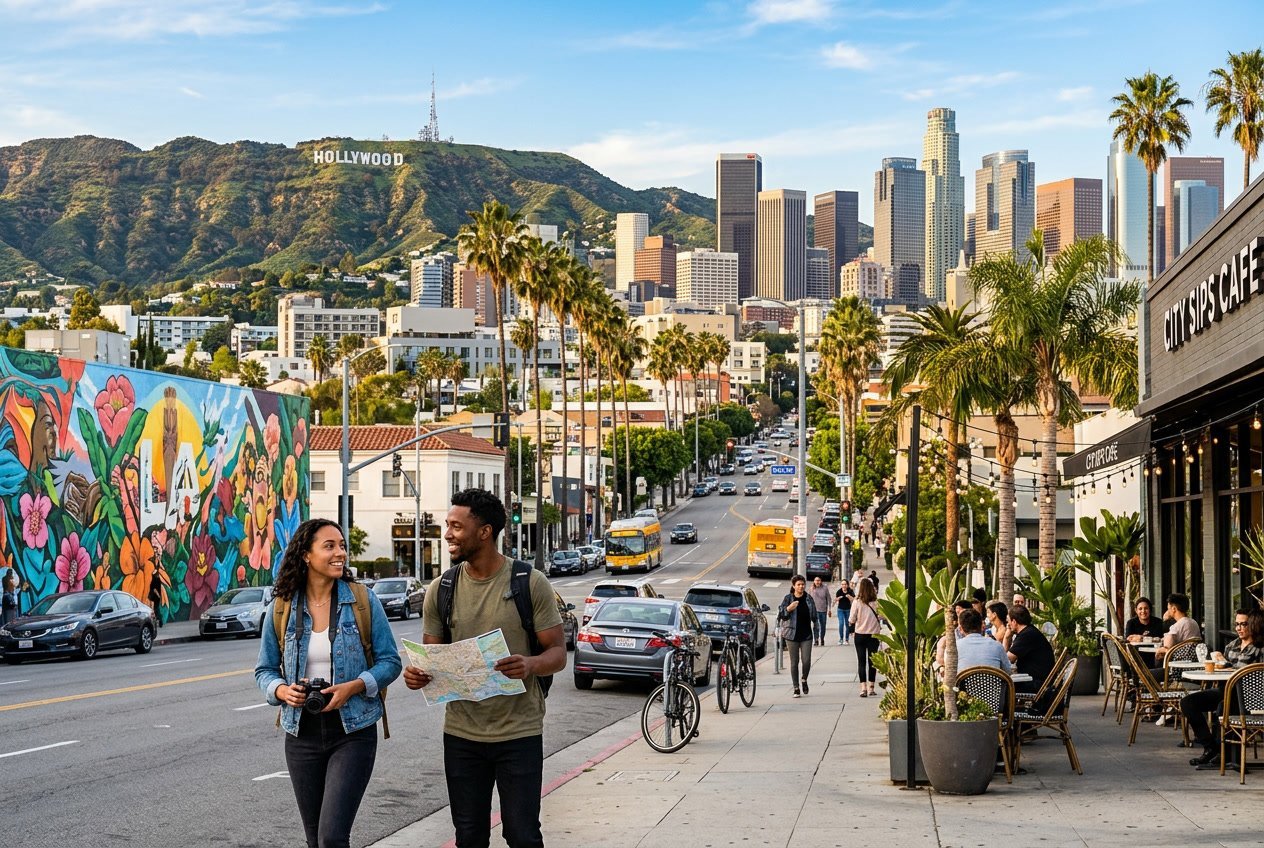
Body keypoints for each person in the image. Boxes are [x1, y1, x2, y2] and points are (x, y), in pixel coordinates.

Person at [405, 488, 566, 848]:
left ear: (485, 532)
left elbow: (557, 653)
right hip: (462, 735)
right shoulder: (441, 589)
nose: (447, 533)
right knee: (469, 835)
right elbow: (433, 661)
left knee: (523, 835)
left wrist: (529, 664)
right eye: (447, 525)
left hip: (519, 733)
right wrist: (418, 675)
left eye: (456, 527)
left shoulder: (529, 582)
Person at [254, 519, 402, 848]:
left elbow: (391, 662)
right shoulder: (282, 607)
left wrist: (356, 685)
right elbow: (264, 669)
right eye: (329, 546)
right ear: (306, 555)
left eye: (342, 546)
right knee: (314, 839)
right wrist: (281, 690)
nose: (340, 554)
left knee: (332, 837)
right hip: (301, 732)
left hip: (352, 731)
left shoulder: (363, 601)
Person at [1182, 609, 1264, 768]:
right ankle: (1211, 748)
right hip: (1225, 689)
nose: (1239, 628)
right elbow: (1224, 670)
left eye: (1244, 624)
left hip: (1249, 697)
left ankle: (1225, 755)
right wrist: (1219, 662)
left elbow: (1255, 674)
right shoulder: (1231, 646)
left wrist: (1227, 665)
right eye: (1237, 624)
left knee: (1222, 707)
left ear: (1253, 625)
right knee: (1188, 703)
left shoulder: (1260, 648)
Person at [778, 575, 816, 697]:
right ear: (793, 586)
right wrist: (789, 608)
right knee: (794, 662)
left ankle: (804, 679)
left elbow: (814, 616)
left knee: (806, 661)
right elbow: (781, 615)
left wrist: (817, 629)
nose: (801, 586)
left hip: (806, 635)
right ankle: (796, 687)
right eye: (798, 584)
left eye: (803, 584)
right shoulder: (788, 598)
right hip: (791, 635)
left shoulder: (809, 599)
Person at [1007, 605, 1055, 700]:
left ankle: (1008, 714)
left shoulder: (1027, 635)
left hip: (1037, 684)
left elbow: (1008, 659)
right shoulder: (1029, 631)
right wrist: (1007, 637)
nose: (1008, 624)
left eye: (1008, 621)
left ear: (1014, 621)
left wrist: (1006, 637)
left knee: (1003, 687)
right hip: (1036, 680)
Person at [850, 577, 881, 697]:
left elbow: (852, 619)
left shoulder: (857, 602)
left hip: (860, 634)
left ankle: (863, 688)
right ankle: (871, 687)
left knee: (861, 662)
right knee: (872, 662)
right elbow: (882, 616)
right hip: (874, 635)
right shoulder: (876, 602)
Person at [1155, 592, 1201, 661]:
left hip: (1179, 666)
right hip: (1194, 662)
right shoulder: (1194, 623)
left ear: (1173, 609)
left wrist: (1165, 620)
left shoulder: (1176, 627)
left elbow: (1166, 648)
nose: (1167, 611)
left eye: (1168, 608)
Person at [935, 601, 975, 675]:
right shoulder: (950, 635)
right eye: (958, 613)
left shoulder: (978, 629)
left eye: (963, 613)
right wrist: (942, 666)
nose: (961, 616)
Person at [807, 576, 831, 646]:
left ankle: (822, 638)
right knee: (816, 625)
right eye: (816, 580)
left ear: (821, 581)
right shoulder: (811, 589)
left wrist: (829, 609)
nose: (817, 582)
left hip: (823, 610)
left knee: (823, 625)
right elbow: (808, 599)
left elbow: (829, 598)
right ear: (814, 581)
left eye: (819, 580)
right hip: (814, 610)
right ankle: (816, 639)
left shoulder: (825, 588)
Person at [834, 580, 855, 645]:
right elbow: (835, 600)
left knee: (847, 624)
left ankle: (846, 639)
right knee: (841, 624)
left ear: (847, 585)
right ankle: (841, 639)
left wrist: (849, 597)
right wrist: (838, 599)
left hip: (848, 609)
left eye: (845, 584)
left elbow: (854, 600)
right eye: (842, 584)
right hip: (840, 609)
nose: (844, 586)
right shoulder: (839, 591)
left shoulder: (850, 591)